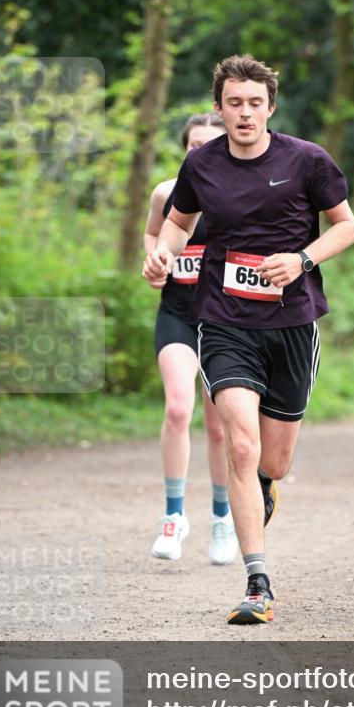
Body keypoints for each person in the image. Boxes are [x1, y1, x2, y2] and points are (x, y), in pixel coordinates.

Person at [143, 54, 354, 624]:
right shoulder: (202, 165)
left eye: (254, 103)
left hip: (291, 324)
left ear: (271, 107)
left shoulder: (307, 160)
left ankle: (266, 483)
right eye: (234, 103)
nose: (244, 113)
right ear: (220, 107)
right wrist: (163, 251)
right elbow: (179, 221)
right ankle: (257, 584)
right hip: (223, 322)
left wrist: (303, 258)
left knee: (274, 461)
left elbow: (347, 225)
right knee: (240, 444)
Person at [143, 112, 238, 567]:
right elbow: (151, 234)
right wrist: (156, 262)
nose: (200, 153)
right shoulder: (166, 193)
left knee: (219, 426)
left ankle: (222, 517)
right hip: (178, 316)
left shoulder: (238, 198)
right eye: (193, 146)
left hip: (224, 323)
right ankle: (174, 516)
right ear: (184, 149)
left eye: (209, 146)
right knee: (179, 408)